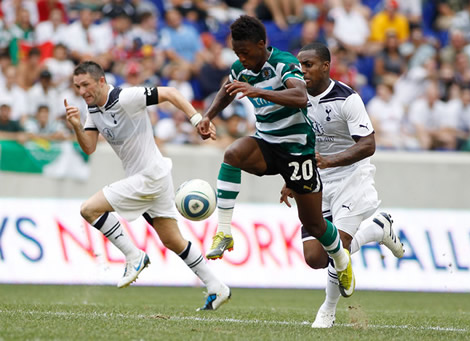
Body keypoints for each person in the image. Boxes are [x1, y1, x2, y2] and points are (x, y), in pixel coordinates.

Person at [195, 15, 355, 297]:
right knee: (232, 154)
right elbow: (227, 89)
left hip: (298, 150)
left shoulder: (283, 63)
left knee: (314, 224)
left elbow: (301, 97)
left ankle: (341, 260)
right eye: (236, 53)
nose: (241, 58)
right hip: (267, 144)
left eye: (245, 52)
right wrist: (208, 116)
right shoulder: (240, 69)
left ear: (261, 44)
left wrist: (256, 91)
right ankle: (223, 231)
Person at [64, 61, 230, 311]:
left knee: (89, 209)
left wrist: (197, 120)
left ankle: (133, 255)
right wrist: (77, 125)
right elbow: (89, 147)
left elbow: (171, 93)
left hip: (148, 177)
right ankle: (217, 287)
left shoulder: (125, 97)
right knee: (173, 240)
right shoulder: (93, 110)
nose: (81, 91)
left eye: (85, 84)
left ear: (100, 81)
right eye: (77, 86)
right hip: (154, 177)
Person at [280, 43, 405, 328]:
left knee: (341, 245)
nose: (303, 71)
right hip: (317, 179)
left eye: (309, 64)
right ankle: (377, 229)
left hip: (352, 176)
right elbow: (297, 144)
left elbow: (369, 144)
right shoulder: (297, 100)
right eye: (300, 65)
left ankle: (328, 309)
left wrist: (330, 160)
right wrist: (291, 179)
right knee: (315, 258)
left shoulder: (347, 98)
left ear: (326, 66)